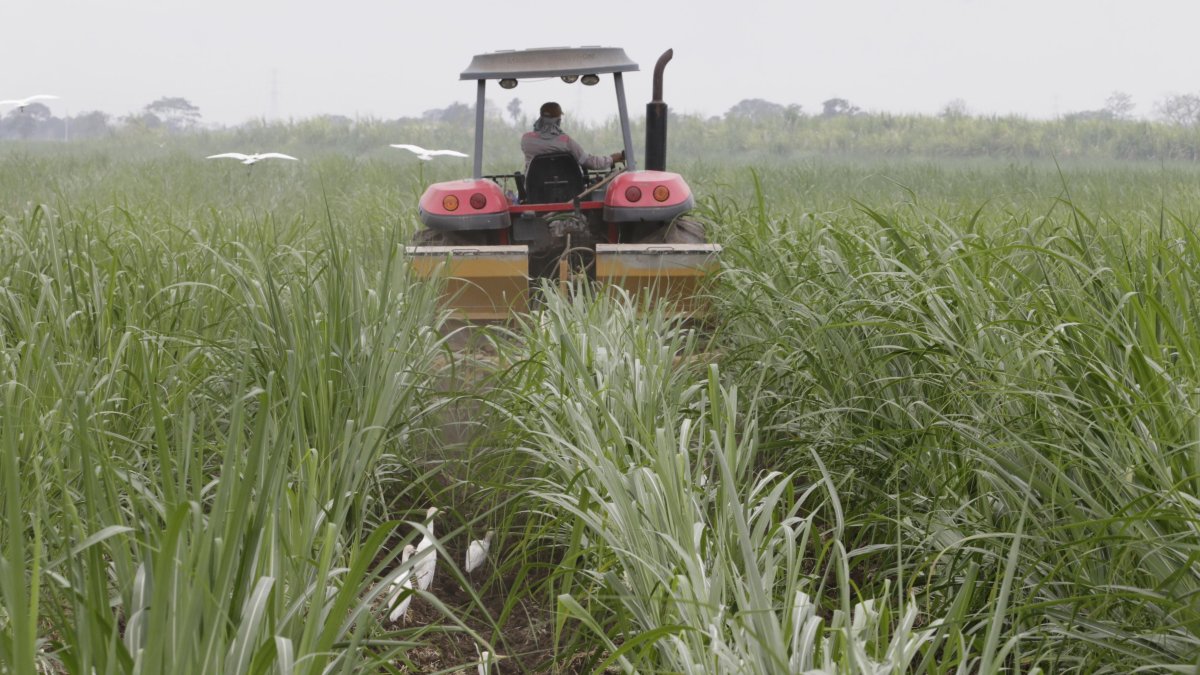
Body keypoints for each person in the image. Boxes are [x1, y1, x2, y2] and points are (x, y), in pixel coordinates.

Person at [521, 101, 624, 173]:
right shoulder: (565, 141)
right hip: (567, 193)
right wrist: (612, 158)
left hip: (533, 192)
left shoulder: (526, 140)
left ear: (541, 117)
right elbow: (589, 162)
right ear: (558, 119)